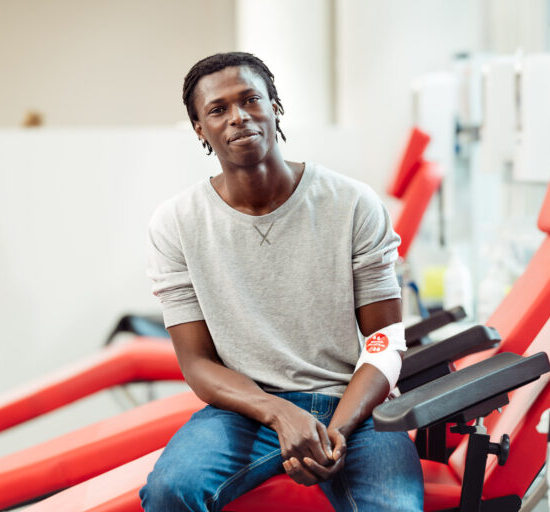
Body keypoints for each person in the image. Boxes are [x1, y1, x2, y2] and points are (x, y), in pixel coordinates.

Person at [140, 52, 424, 512]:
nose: (238, 117)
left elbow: (384, 340)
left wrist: (339, 429)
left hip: (353, 402)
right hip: (244, 412)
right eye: (217, 109)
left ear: (276, 107)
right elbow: (196, 363)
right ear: (199, 129)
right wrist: (279, 413)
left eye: (251, 99)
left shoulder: (352, 202)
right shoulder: (176, 223)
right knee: (170, 491)